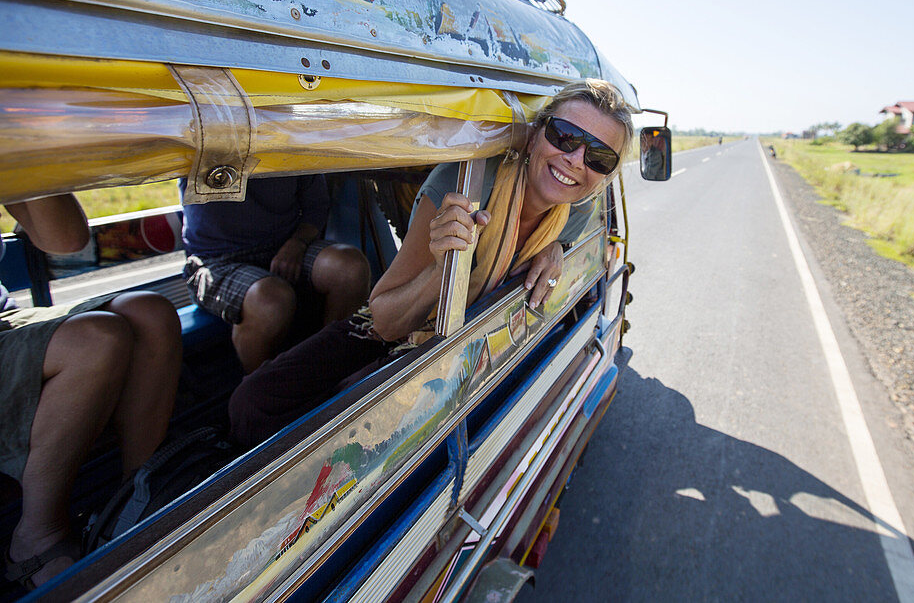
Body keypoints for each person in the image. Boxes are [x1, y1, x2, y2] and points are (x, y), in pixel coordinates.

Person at [228, 79, 634, 447]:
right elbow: (385, 320)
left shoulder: (579, 208)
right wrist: (445, 270)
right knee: (254, 402)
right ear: (533, 137)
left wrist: (556, 248)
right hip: (401, 324)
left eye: (600, 157)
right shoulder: (463, 186)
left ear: (606, 175)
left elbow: (567, 230)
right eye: (565, 136)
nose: (577, 160)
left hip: (468, 349)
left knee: (345, 429)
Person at [2, 195, 181, 590]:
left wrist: (32, 142)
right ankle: (35, 535)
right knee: (96, 338)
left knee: (151, 311)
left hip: (6, 317)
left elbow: (65, 239)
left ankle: (133, 500)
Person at [180, 175, 372, 373]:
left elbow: (316, 206)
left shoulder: (290, 145)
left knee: (350, 268)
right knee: (269, 300)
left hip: (283, 243)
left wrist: (297, 242)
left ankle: (333, 370)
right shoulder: (194, 145)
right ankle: (261, 389)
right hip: (216, 259)